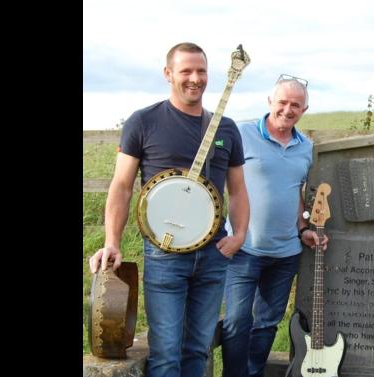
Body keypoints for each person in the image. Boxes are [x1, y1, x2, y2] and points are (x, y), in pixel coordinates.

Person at [88, 42, 250, 377]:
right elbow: (120, 186)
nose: (195, 78)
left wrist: (240, 235)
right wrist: (113, 241)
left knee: (198, 350)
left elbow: (237, 189)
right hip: (165, 256)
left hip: (214, 255)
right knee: (165, 356)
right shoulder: (143, 122)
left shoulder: (227, 128)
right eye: (186, 71)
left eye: (201, 71)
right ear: (168, 74)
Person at [221, 74, 328, 377]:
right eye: (283, 102)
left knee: (267, 323)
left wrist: (302, 229)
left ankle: (253, 373)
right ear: (270, 102)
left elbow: (296, 192)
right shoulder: (240, 133)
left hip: (285, 254)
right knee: (237, 322)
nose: (288, 109)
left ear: (304, 110)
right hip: (244, 247)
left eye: (296, 105)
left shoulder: (305, 147)